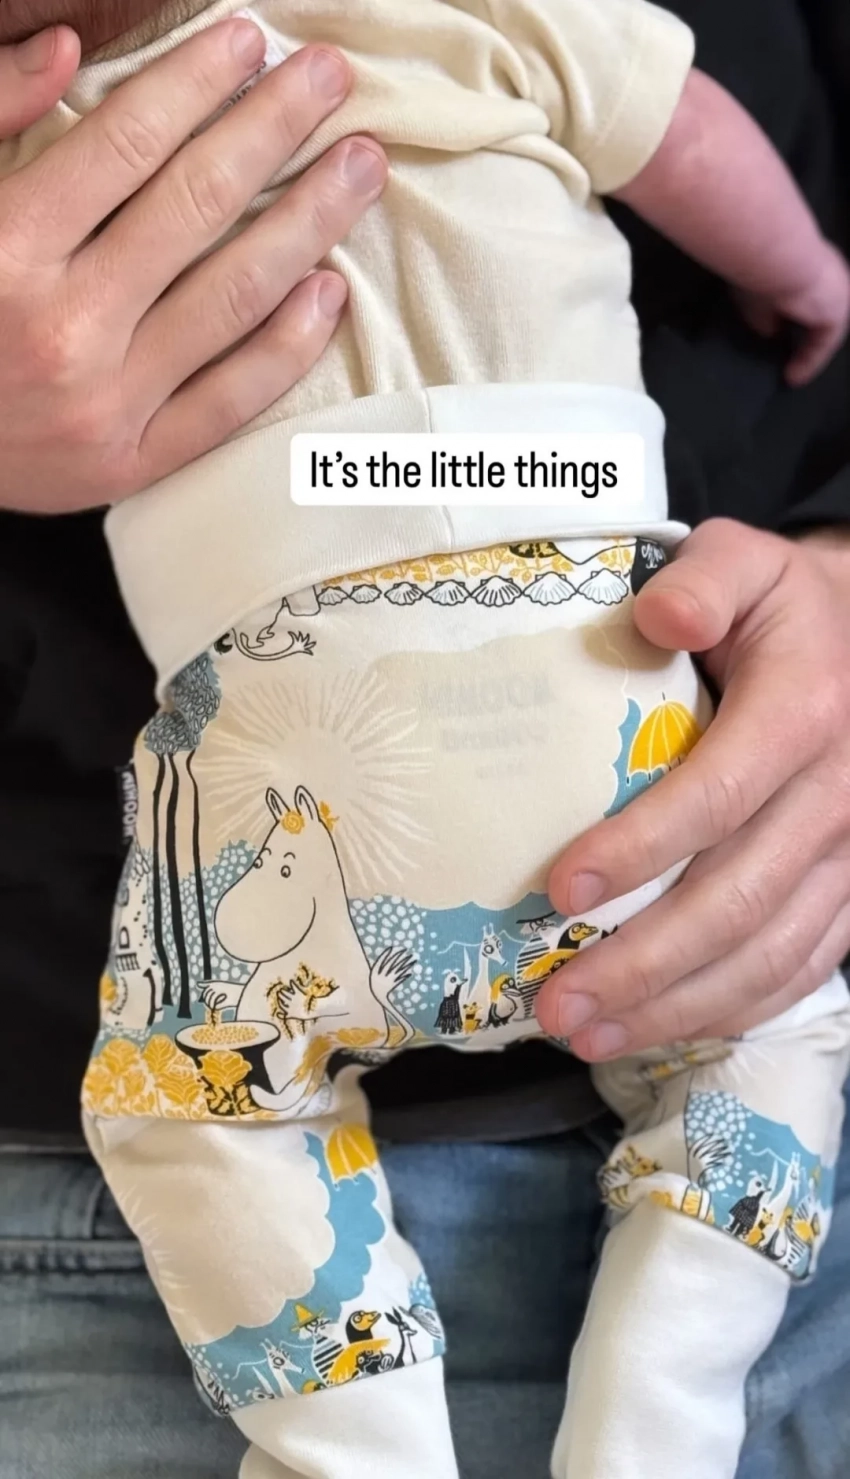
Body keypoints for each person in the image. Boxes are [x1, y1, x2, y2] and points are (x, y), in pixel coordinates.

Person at [2, 4, 850, 1479]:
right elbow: (701, 145)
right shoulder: (493, 13)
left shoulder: (37, 112)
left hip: (276, 768)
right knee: (771, 1042)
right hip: (632, 720)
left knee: (195, 1112)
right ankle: (663, 1408)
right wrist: (808, 276)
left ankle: (344, 1444)